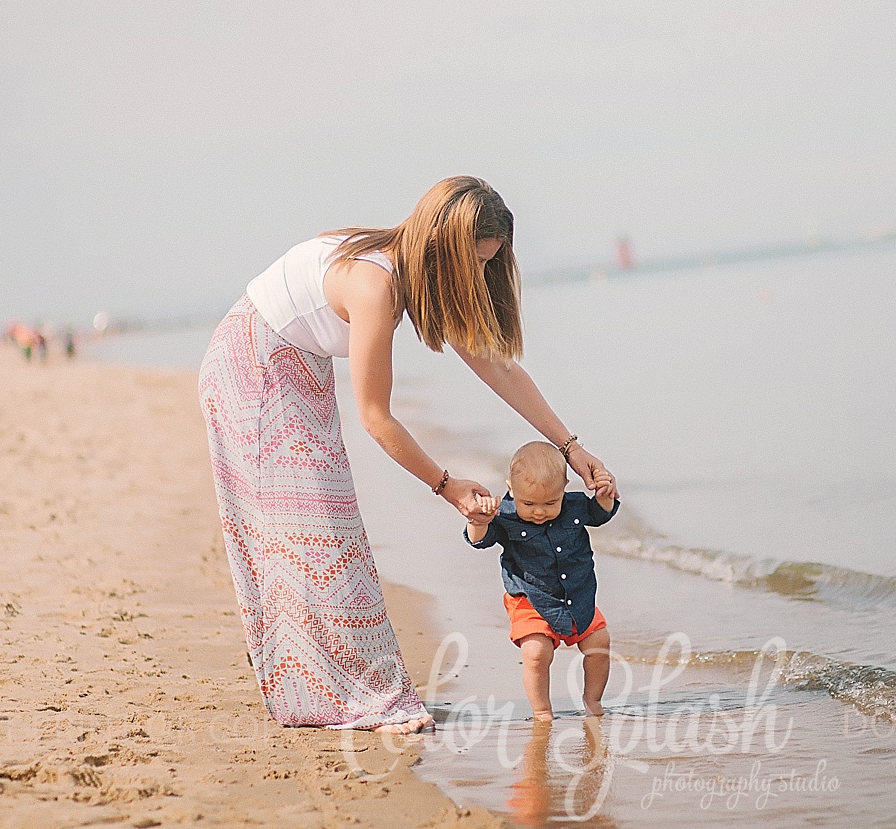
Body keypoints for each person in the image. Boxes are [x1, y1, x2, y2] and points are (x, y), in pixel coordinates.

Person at [197, 177, 611, 735]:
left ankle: (321, 686)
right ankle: (351, 696)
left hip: (293, 365)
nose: (478, 279)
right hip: (253, 368)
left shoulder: (413, 274)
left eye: (488, 266)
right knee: (319, 533)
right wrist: (446, 485)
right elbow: (376, 416)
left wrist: (570, 447)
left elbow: (498, 367)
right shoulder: (376, 284)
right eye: (475, 265)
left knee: (319, 532)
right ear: (442, 248)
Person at [464, 442, 618, 720]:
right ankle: (542, 710)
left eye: (550, 503)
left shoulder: (573, 506)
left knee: (599, 642)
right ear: (511, 487)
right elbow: (479, 541)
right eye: (529, 503)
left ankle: (593, 700)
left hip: (577, 596)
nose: (539, 511)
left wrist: (605, 493)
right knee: (536, 652)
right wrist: (478, 520)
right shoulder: (505, 515)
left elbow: (600, 513)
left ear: (564, 489)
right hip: (529, 598)